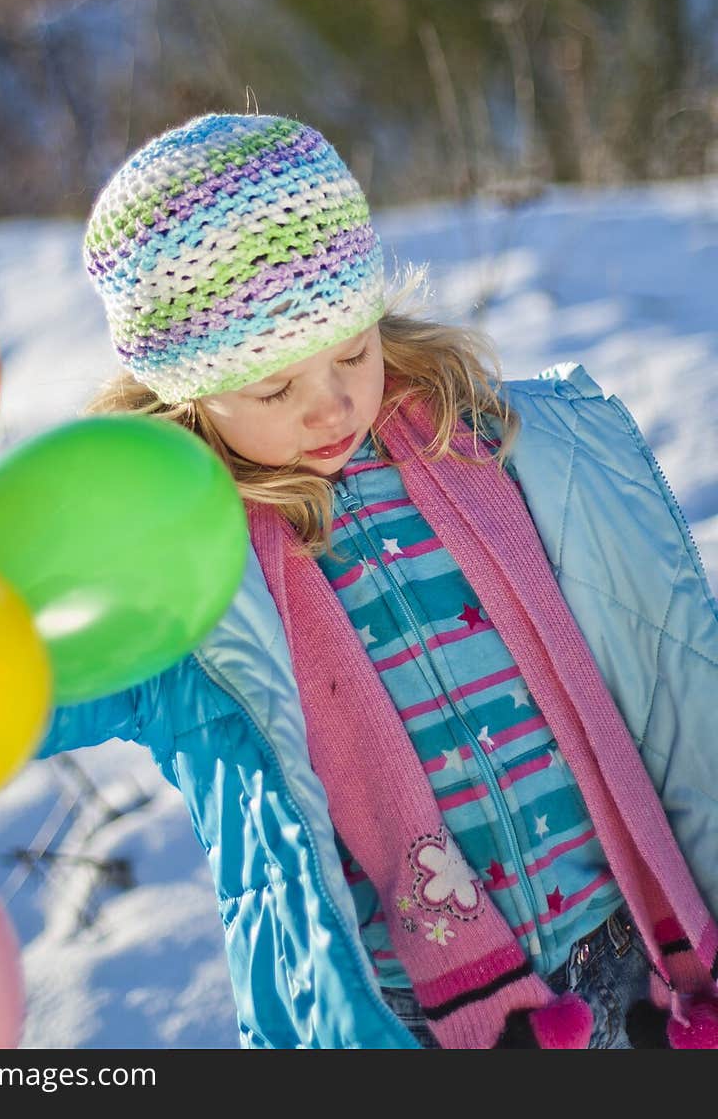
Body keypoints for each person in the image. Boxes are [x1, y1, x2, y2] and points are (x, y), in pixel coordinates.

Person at [36, 111, 718, 1049]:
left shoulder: (480, 443)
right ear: (183, 395)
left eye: (351, 352)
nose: (331, 404)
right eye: (274, 388)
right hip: (426, 1009)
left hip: (630, 934)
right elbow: (41, 683)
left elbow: (642, 639)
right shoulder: (196, 572)